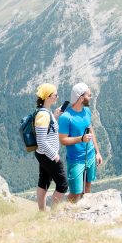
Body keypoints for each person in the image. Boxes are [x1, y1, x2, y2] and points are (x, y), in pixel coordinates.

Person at [58, 82, 102, 202]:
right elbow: (63, 140)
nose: (91, 97)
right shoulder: (66, 117)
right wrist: (80, 139)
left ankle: (84, 212)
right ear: (81, 98)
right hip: (76, 160)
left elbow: (91, 132)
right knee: (75, 193)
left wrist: (97, 152)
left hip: (90, 155)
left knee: (88, 186)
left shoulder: (86, 111)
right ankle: (66, 213)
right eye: (89, 95)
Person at [34, 83, 68, 211]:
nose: (57, 96)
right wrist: (54, 156)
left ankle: (42, 212)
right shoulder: (43, 115)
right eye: (55, 94)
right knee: (63, 184)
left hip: (43, 154)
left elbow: (47, 130)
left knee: (44, 181)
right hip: (48, 155)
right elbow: (41, 140)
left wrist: (55, 116)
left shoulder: (45, 113)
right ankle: (54, 213)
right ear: (48, 97)